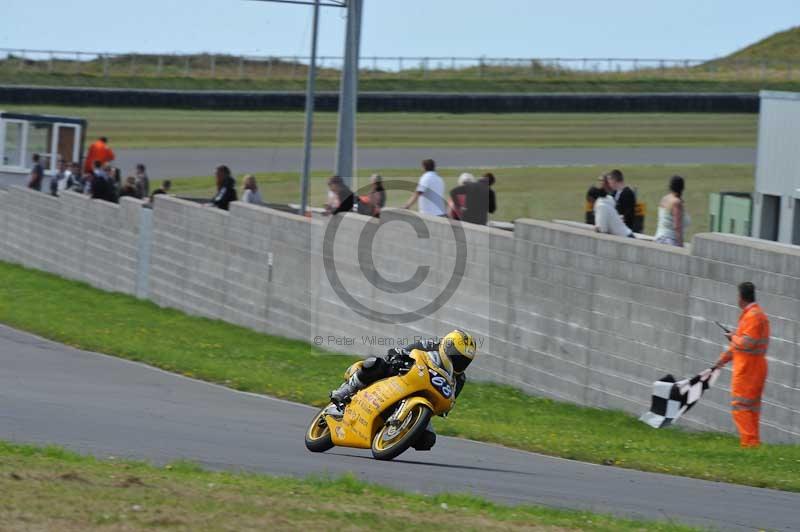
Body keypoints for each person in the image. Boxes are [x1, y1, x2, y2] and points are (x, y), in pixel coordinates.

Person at [329, 329, 478, 450]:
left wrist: (445, 407)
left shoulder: (460, 379)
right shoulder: (430, 345)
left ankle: (393, 434)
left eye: (464, 361)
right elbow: (402, 351)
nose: (459, 362)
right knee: (378, 364)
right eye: (456, 356)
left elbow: (450, 400)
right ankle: (346, 391)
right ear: (446, 346)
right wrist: (398, 356)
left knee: (427, 440)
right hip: (404, 377)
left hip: (423, 398)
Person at [713, 282, 770, 448]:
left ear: (741, 297)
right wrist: (722, 360)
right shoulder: (754, 315)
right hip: (754, 367)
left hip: (748, 369)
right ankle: (753, 442)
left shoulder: (753, 316)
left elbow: (745, 343)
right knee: (751, 407)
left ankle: (749, 443)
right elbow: (740, 345)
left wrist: (732, 337)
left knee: (741, 406)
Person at [654, 175, 689, 247]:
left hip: (659, 238)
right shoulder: (676, 203)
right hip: (670, 241)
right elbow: (677, 227)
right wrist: (681, 245)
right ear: (682, 188)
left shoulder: (664, 199)